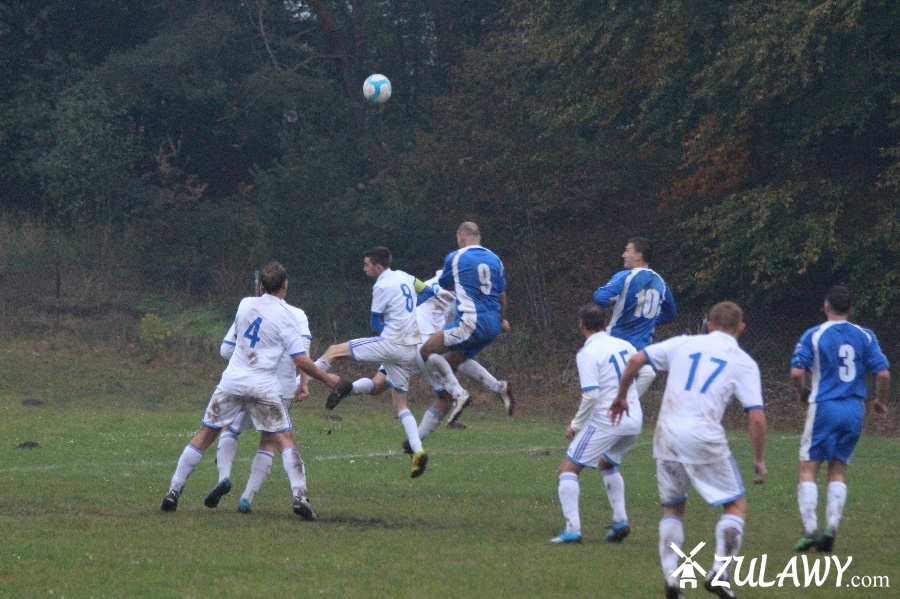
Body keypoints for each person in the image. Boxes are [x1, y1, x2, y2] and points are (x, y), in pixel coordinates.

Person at [610, 301, 767, 599]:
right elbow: (756, 416)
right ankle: (720, 573)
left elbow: (634, 361)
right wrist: (759, 459)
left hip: (666, 433)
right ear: (741, 329)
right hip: (703, 436)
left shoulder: (683, 343)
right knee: (734, 504)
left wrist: (621, 397)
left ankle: (672, 579)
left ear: (708, 324)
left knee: (674, 508)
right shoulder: (742, 361)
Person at [160, 262, 341, 520]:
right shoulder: (289, 318)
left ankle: (173, 492)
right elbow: (300, 360)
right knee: (285, 441)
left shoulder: (245, 304)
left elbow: (232, 344)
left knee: (204, 435)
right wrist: (327, 379)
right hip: (263, 387)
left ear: (260, 287)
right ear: (285, 286)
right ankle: (300, 497)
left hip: (232, 382)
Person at [344, 271, 514, 449]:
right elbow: (479, 317)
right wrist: (499, 322)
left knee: (377, 385)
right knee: (447, 392)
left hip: (400, 338)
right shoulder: (463, 297)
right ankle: (414, 442)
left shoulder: (433, 281)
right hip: (421, 346)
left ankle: (348, 388)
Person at [314, 246, 431, 478]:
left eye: (367, 264)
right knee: (400, 404)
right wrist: (406, 315)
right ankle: (418, 451)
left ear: (378, 267)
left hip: (391, 343)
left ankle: (298, 383)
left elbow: (375, 324)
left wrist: (393, 324)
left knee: (333, 351)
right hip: (409, 348)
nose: (364, 268)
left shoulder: (381, 286)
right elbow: (427, 292)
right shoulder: (405, 276)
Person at [790, 285, 890, 553]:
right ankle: (831, 526)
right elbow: (883, 374)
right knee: (838, 469)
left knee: (808, 469)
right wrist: (879, 401)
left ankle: (810, 530)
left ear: (826, 306)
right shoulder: (865, 336)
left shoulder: (814, 334)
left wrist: (802, 394)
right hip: (854, 409)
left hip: (825, 406)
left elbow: (797, 371)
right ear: (851, 308)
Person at [206, 298, 314, 514]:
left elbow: (226, 350)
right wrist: (303, 383)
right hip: (279, 387)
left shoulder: (249, 308)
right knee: (269, 441)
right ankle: (247, 497)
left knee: (230, 428)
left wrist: (247, 357)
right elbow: (304, 353)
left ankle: (224, 477)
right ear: (284, 287)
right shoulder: (297, 314)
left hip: (243, 381)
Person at [550, 304, 642, 545]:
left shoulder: (587, 353)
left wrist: (575, 425)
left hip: (607, 421)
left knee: (567, 470)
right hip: (634, 420)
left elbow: (591, 395)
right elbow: (645, 374)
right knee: (607, 464)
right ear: (604, 323)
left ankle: (572, 530)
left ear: (581, 325)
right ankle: (620, 521)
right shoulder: (625, 345)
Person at [420, 222, 510, 423]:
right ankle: (497, 387)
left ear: (461, 239)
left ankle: (458, 393)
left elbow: (445, 285)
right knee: (452, 360)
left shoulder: (456, 257)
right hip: (493, 326)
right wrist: (502, 319)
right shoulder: (496, 260)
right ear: (479, 238)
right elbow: (502, 297)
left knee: (427, 351)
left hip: (470, 323)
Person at [594, 237, 677, 396]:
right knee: (648, 373)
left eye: (627, 250)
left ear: (639, 256)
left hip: (616, 342)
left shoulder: (626, 276)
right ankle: (628, 403)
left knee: (607, 389)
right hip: (641, 346)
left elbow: (600, 298)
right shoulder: (660, 281)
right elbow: (671, 313)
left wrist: (613, 300)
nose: (623, 255)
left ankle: (620, 405)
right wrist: (649, 320)